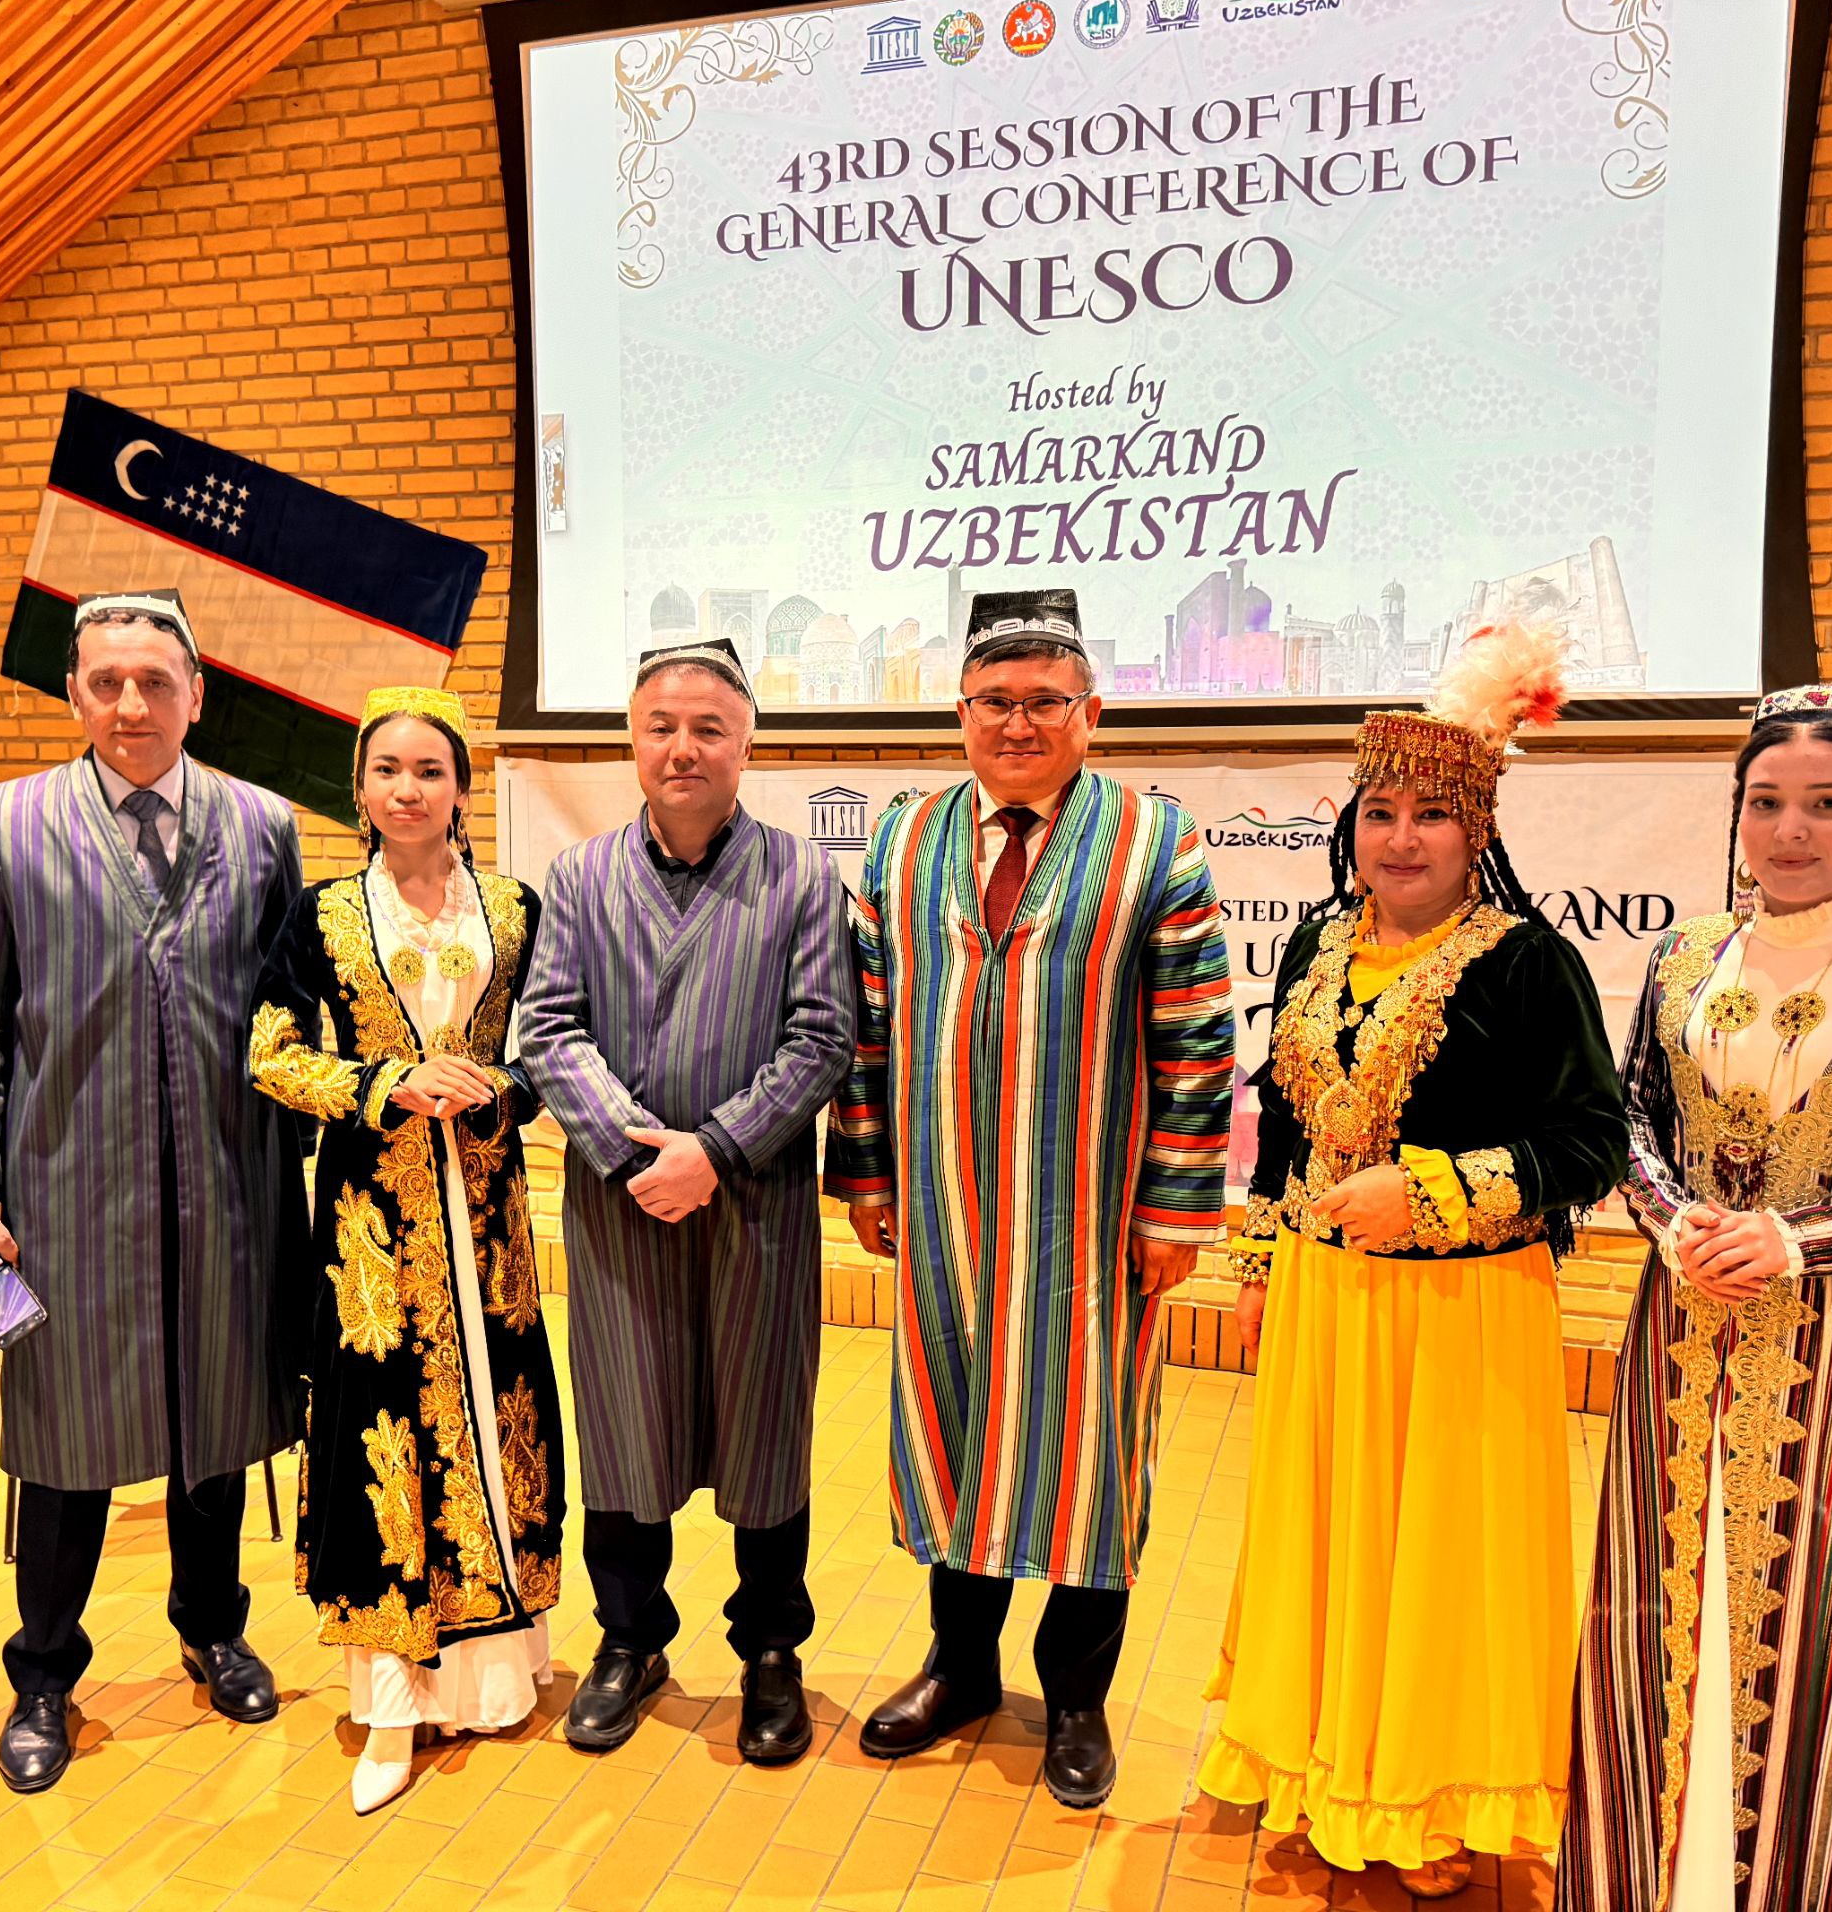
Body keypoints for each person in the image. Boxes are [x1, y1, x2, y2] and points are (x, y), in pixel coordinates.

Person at [1196, 622, 1624, 1899]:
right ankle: (1320, 1764)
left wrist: (1430, 1190)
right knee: (1328, 1544)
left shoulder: (1529, 965)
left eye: (1432, 816)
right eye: (1379, 812)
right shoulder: (1315, 948)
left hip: (1460, 1314)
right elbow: (1283, 1124)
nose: (1400, 840)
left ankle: (1425, 1800)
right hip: (1326, 1305)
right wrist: (1262, 1259)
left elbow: (1591, 1141)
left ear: (1478, 830)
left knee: (1437, 1556)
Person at [1559, 683, 1832, 1911]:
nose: (1789, 831)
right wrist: (1670, 1217)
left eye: (1827, 804)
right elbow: (1629, 1119)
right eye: (1765, 803)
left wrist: (1800, 1240)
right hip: (1678, 1340)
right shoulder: (1684, 955)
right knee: (1657, 1611)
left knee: (1830, 1632)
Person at [826, 588, 1234, 1810]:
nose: (1017, 723)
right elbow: (865, 1023)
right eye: (994, 701)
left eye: (1045, 701)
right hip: (942, 1206)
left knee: (1087, 1449)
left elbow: (1197, 1040)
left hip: (1090, 1216)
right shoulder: (901, 839)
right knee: (955, 1428)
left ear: (1089, 714)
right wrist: (864, 1169)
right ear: (960, 712)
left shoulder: (1157, 842)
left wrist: (1173, 1211)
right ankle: (959, 1670)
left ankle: (1075, 1698)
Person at [0, 589, 305, 1793]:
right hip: (65, 1196)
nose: (131, 704)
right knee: (64, 1444)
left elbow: (290, 1014)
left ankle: (213, 1627)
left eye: (155, 681)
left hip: (228, 1184)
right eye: (106, 682)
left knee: (214, 1424)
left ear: (197, 693)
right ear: (73, 692)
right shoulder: (6, 823)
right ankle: (44, 1671)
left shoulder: (262, 824)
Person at [517, 637, 853, 1765]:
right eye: (661, 726)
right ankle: (629, 1638)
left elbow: (823, 1038)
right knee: (624, 1427)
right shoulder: (578, 877)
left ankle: (771, 1649)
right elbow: (548, 1030)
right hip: (620, 1211)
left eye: (709, 728)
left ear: (747, 746)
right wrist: (632, 1153)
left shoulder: (801, 879)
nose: (683, 747)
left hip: (754, 1205)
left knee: (765, 1432)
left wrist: (714, 1149)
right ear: (632, 741)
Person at [247, 686, 567, 1814]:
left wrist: (500, 1089)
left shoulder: (516, 909)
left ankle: (494, 1673)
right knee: (377, 1426)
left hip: (487, 1209)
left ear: (464, 787)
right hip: (371, 1225)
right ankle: (391, 1700)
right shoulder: (323, 912)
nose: (408, 789)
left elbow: (552, 1045)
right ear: (359, 788)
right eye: (386, 769)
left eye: (431, 769)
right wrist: (385, 1083)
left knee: (498, 1406)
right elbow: (271, 1053)